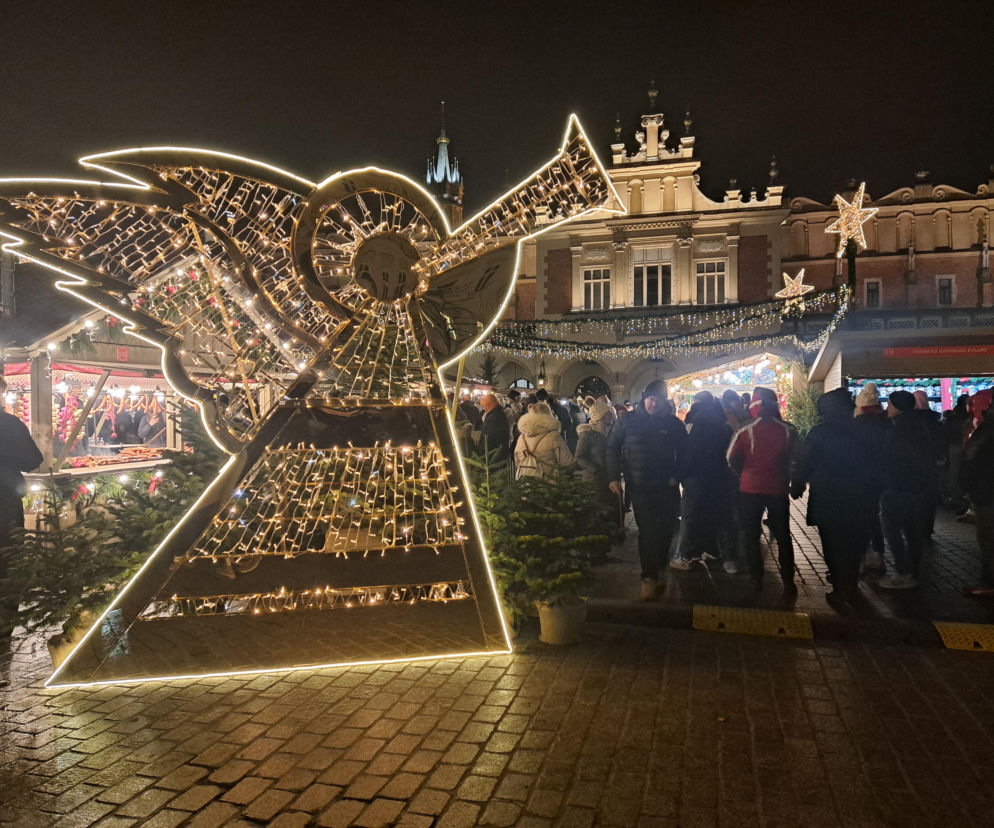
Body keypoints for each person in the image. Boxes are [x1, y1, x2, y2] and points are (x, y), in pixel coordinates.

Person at [792, 389, 876, 602]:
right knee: (855, 540)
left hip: (827, 495)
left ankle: (840, 585)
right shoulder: (864, 430)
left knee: (832, 542)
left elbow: (806, 462)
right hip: (859, 495)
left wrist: (797, 485)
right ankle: (851, 582)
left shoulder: (819, 432)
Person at [606, 380, 686, 600]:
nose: (653, 404)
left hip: (666, 486)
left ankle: (659, 567)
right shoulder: (627, 421)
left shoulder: (673, 424)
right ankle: (649, 577)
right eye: (650, 399)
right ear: (644, 399)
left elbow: (686, 453)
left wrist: (677, 476)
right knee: (648, 530)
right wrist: (613, 477)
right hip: (639, 486)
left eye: (657, 400)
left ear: (664, 401)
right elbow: (612, 447)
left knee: (666, 529)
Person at [727, 386, 800, 590]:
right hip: (778, 489)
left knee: (750, 534)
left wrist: (742, 474)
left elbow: (731, 458)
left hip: (750, 489)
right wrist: (792, 480)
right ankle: (788, 579)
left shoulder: (745, 429)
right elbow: (797, 459)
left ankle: (755, 577)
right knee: (783, 535)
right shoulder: (788, 429)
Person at [1, 377, 44, 635]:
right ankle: (4, 628)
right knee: (8, 562)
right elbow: (32, 460)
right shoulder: (9, 424)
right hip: (5, 503)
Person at [672, 398, 736, 571]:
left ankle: (686, 555)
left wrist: (678, 476)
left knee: (690, 518)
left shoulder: (696, 427)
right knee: (720, 517)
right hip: (719, 479)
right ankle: (723, 556)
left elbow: (689, 456)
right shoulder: (725, 428)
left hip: (696, 480)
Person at [877, 390, 932, 589]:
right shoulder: (918, 425)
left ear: (898, 407)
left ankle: (903, 571)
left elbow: (894, 459)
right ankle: (910, 571)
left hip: (898, 486)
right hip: (914, 486)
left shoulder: (900, 429)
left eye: (890, 404)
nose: (887, 408)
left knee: (892, 529)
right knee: (912, 530)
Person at [853, 382, 889, 572]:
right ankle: (878, 554)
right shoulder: (886, 423)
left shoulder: (857, 426)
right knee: (873, 515)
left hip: (860, 476)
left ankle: (862, 556)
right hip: (880, 475)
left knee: (861, 516)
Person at [959, 401, 994, 597]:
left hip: (987, 491)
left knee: (988, 539)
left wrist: (965, 485)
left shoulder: (987, 427)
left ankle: (989, 582)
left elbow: (972, 458)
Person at [575, 401, 619, 533]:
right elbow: (579, 457)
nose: (611, 416)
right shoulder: (587, 434)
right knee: (597, 513)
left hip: (609, 479)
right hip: (594, 481)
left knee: (610, 512)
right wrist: (595, 469)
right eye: (608, 414)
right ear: (601, 416)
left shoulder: (610, 431)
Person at [513, 401, 573, 479]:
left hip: (526, 482)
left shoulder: (522, 437)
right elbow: (567, 463)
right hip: (549, 483)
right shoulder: (554, 436)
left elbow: (517, 461)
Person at [912, 390, 943, 536]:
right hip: (932, 463)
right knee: (929, 496)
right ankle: (928, 527)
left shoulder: (912, 420)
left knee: (917, 495)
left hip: (916, 463)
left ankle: (917, 526)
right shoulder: (935, 419)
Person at [942, 394, 971, 511]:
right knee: (960, 470)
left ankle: (956, 496)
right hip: (960, 446)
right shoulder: (967, 416)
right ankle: (961, 497)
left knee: (954, 471)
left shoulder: (953, 416)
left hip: (954, 445)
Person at [478, 393, 511, 466]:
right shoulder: (496, 414)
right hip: (497, 453)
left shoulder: (494, 417)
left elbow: (489, 438)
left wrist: (482, 453)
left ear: (488, 405)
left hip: (493, 456)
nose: (484, 408)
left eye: (485, 406)